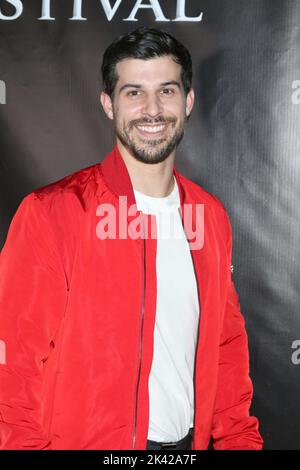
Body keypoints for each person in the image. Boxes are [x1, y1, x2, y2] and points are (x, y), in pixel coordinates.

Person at [0, 27, 263, 451]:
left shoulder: (208, 217)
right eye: (134, 93)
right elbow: (12, 363)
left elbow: (225, 347)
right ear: (109, 104)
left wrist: (240, 441)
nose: (153, 109)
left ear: (188, 101)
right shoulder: (53, 212)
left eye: (167, 90)